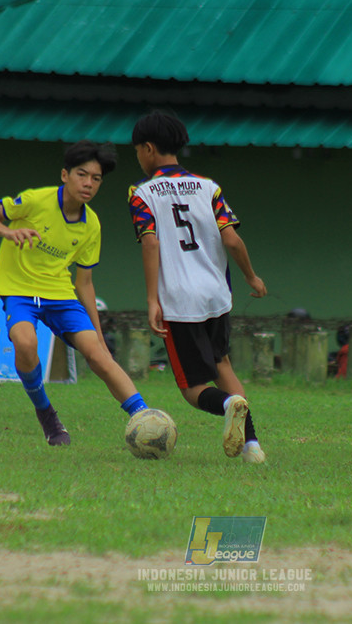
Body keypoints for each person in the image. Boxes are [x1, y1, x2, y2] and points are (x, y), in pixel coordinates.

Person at [0, 140, 148, 446]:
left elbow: (85, 283)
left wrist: (98, 333)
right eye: (82, 175)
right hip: (19, 293)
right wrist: (9, 231)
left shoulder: (91, 224)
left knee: (99, 356)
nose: (89, 184)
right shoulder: (34, 200)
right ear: (64, 174)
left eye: (96, 179)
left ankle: (147, 420)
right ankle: (46, 414)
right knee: (25, 343)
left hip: (60, 295)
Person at [128, 110, 268, 464]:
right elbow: (232, 240)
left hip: (179, 300)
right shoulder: (209, 187)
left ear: (147, 148)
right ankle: (252, 446)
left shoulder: (142, 193)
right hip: (216, 296)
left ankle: (226, 405)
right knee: (222, 365)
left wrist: (151, 299)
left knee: (192, 389)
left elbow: (151, 243)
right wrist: (251, 276)